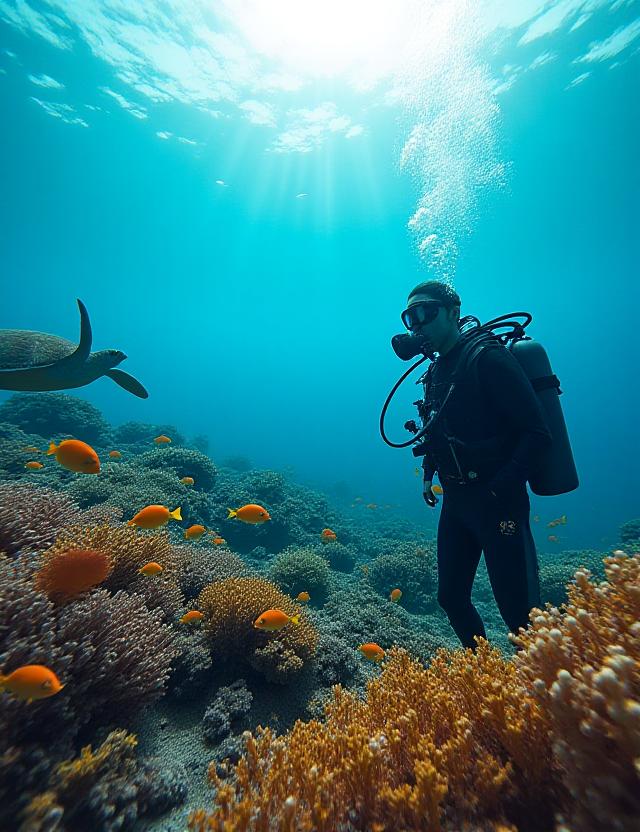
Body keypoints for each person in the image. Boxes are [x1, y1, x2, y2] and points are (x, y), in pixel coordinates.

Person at [402, 280, 552, 650]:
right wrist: (428, 476)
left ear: (454, 314)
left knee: (520, 615)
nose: (417, 324)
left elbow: (537, 433)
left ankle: (548, 692)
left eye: (426, 312)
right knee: (450, 598)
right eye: (410, 317)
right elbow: (437, 430)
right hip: (457, 501)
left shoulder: (488, 358)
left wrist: (499, 488)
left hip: (499, 503)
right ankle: (483, 679)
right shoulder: (436, 372)